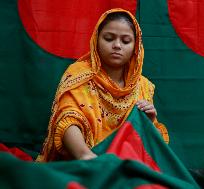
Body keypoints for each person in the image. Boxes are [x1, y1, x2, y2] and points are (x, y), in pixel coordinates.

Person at [36, 8, 169, 162]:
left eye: (126, 41)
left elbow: (153, 146)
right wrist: (85, 156)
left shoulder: (143, 86)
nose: (117, 45)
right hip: (84, 162)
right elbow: (67, 121)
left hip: (127, 164)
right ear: (96, 40)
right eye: (109, 38)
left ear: (136, 47)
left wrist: (149, 123)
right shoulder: (79, 75)